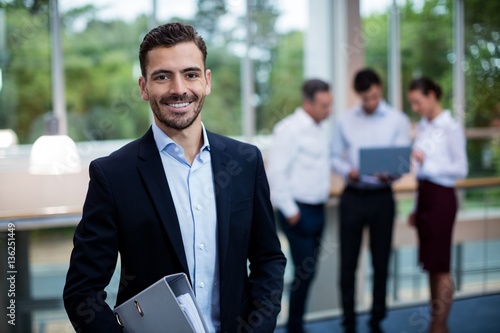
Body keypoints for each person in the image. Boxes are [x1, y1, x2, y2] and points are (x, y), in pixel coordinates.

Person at [63, 22, 286, 333]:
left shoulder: (245, 161)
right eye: (163, 76)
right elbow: (81, 293)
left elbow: (269, 260)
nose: (179, 88)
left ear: (206, 81)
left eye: (190, 74)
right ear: (143, 87)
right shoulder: (113, 175)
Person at [330, 68, 411, 333]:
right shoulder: (344, 120)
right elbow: (333, 156)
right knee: (348, 263)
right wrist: (347, 171)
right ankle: (349, 321)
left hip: (382, 197)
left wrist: (392, 172)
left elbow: (401, 161)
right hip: (353, 196)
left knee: (381, 260)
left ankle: (377, 319)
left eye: (374, 97)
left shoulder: (397, 120)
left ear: (380, 89)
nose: (370, 103)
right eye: (365, 98)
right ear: (358, 95)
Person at [267, 79, 333, 333]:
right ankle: (294, 327)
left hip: (318, 210)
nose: (329, 111)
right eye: (324, 105)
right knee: (302, 275)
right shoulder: (290, 129)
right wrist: (292, 213)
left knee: (309, 273)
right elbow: (276, 174)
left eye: (330, 105)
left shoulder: (319, 128)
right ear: (308, 103)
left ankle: (296, 325)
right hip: (298, 213)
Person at [407, 77, 468, 333]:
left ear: (432, 95)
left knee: (441, 265)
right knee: (431, 265)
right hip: (425, 197)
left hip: (442, 197)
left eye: (418, 102)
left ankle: (440, 326)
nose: (415, 108)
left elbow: (461, 169)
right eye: (412, 103)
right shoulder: (423, 126)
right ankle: (436, 321)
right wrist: (414, 207)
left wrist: (428, 163)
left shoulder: (450, 127)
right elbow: (419, 170)